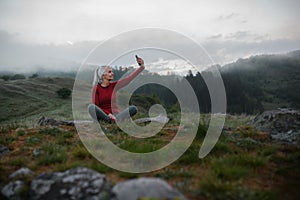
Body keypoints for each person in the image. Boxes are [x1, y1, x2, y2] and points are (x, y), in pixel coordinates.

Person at [88, 56, 145, 123]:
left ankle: (113, 120)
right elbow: (96, 106)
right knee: (91, 107)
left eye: (112, 71)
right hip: (104, 115)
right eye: (109, 72)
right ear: (103, 75)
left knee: (133, 108)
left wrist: (142, 67)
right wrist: (108, 114)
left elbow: (128, 79)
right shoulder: (96, 88)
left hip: (117, 115)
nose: (112, 73)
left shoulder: (114, 86)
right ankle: (113, 120)